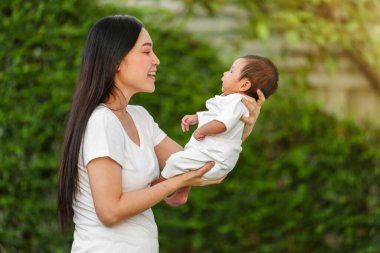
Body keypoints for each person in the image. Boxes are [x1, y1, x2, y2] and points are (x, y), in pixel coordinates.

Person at [57, 15, 264, 253]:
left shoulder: (139, 117)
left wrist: (238, 131)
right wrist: (176, 183)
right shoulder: (102, 121)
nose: (156, 60)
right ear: (116, 60)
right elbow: (110, 212)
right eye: (146, 52)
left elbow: (204, 169)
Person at [158, 55, 278, 206]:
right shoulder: (236, 102)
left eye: (231, 71)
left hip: (214, 157)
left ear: (244, 85)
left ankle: (159, 184)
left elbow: (222, 124)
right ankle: (181, 193)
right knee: (185, 163)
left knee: (176, 160)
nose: (225, 74)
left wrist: (201, 131)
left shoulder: (236, 101)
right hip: (215, 156)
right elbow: (215, 115)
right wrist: (196, 117)